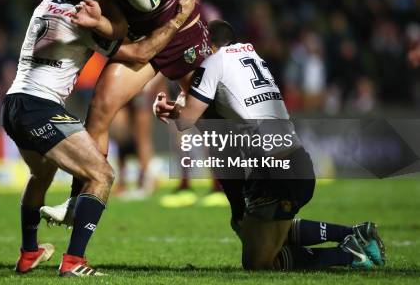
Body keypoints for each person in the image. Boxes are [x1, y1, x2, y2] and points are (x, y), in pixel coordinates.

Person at [1, 0, 196, 277]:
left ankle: (29, 252)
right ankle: (74, 261)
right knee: (102, 175)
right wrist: (178, 18)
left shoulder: (45, 5)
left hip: (13, 103)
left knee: (42, 174)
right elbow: (138, 54)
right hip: (39, 108)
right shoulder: (82, 20)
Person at [153, 20, 386, 270]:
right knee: (261, 227)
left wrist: (167, 110)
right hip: (296, 160)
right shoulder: (251, 54)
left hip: (274, 172)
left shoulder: (214, 62)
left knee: (259, 260)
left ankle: (349, 255)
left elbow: (187, 119)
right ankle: (355, 233)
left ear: (206, 44)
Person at [42, 0, 213, 223]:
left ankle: (244, 191)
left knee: (212, 117)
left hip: (185, 33)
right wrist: (99, 22)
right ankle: (79, 199)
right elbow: (119, 27)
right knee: (101, 105)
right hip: (145, 43)